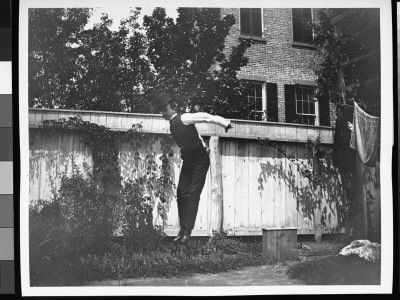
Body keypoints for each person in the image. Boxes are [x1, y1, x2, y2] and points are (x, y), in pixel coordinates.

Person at [154, 91, 233, 244]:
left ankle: (187, 231)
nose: (162, 113)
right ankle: (183, 228)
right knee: (181, 192)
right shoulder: (172, 124)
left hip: (200, 161)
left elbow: (206, 117)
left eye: (164, 109)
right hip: (189, 161)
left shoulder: (184, 117)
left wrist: (225, 123)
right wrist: (202, 144)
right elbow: (194, 136)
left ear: (173, 107)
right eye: (160, 110)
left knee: (193, 192)